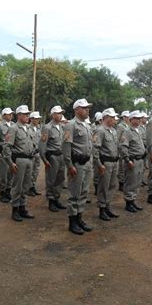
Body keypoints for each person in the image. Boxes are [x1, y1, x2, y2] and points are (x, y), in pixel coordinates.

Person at [62, 98, 94, 235]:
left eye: (88, 107)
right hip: (76, 164)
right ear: (76, 110)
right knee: (74, 194)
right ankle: (72, 222)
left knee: (83, 193)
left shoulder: (87, 125)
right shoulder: (71, 125)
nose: (87, 110)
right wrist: (69, 165)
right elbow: (66, 146)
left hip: (87, 163)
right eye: (84, 107)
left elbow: (90, 145)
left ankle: (79, 218)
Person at [3, 105, 35, 222]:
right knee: (17, 186)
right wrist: (10, 163)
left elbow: (32, 144)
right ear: (19, 115)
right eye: (25, 114)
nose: (28, 116)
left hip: (29, 160)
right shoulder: (13, 128)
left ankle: (22, 207)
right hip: (19, 160)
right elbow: (6, 147)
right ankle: (15, 209)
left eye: (28, 114)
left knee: (26, 185)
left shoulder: (29, 128)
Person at [93, 108, 120, 221]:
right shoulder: (100, 131)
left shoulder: (113, 130)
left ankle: (107, 206)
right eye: (112, 117)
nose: (114, 119)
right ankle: (102, 209)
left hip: (114, 162)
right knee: (103, 187)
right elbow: (95, 149)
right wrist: (99, 164)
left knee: (111, 186)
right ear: (106, 118)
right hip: (105, 163)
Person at [39, 105, 66, 212]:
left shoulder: (62, 127)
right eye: (58, 113)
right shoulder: (47, 128)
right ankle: (51, 200)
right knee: (51, 179)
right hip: (53, 157)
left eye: (61, 113)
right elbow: (42, 146)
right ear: (53, 115)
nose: (60, 115)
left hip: (61, 156)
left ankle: (56, 199)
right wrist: (45, 160)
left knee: (60, 179)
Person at [120, 110, 146, 212]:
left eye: (140, 118)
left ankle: (133, 200)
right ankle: (128, 202)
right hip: (132, 160)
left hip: (140, 159)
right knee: (130, 182)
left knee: (137, 181)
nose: (139, 120)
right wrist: (127, 160)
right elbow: (123, 147)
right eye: (137, 119)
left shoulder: (137, 130)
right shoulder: (127, 131)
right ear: (131, 119)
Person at [0, 108, 14, 203]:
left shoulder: (14, 125)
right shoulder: (0, 126)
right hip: (3, 154)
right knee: (3, 174)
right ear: (4, 115)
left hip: (12, 153)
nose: (11, 115)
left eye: (11, 114)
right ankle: (2, 193)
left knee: (11, 173)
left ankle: (8, 191)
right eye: (8, 114)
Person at [27, 111, 42, 196]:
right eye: (36, 118)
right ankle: (28, 188)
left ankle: (33, 186)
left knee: (36, 171)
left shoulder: (39, 128)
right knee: (30, 171)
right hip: (31, 154)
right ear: (31, 119)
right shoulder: (28, 128)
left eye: (38, 119)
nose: (37, 120)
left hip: (38, 153)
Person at [116, 111, 130, 191]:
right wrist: (119, 149)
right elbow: (118, 138)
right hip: (122, 148)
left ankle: (124, 181)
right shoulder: (120, 126)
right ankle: (121, 183)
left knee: (125, 166)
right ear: (124, 117)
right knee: (121, 167)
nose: (128, 118)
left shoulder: (127, 125)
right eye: (127, 117)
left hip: (127, 148)